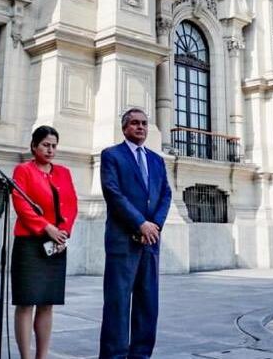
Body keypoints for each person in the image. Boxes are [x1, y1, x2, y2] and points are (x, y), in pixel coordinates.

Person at [98, 108, 172, 359]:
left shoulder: (156, 159)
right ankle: (114, 355)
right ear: (124, 128)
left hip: (150, 241)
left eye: (144, 123)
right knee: (118, 304)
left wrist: (155, 226)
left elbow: (165, 195)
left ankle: (141, 355)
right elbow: (113, 193)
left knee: (147, 302)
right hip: (123, 241)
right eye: (135, 123)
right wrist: (140, 223)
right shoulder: (111, 155)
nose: (140, 127)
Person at [11, 126, 78, 359]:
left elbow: (71, 204)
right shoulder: (23, 170)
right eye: (45, 145)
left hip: (56, 244)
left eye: (53, 145)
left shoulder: (64, 172)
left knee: (47, 303)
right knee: (26, 302)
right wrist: (46, 227)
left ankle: (42, 355)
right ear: (34, 146)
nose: (50, 150)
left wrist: (64, 232)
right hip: (30, 243)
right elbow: (21, 205)